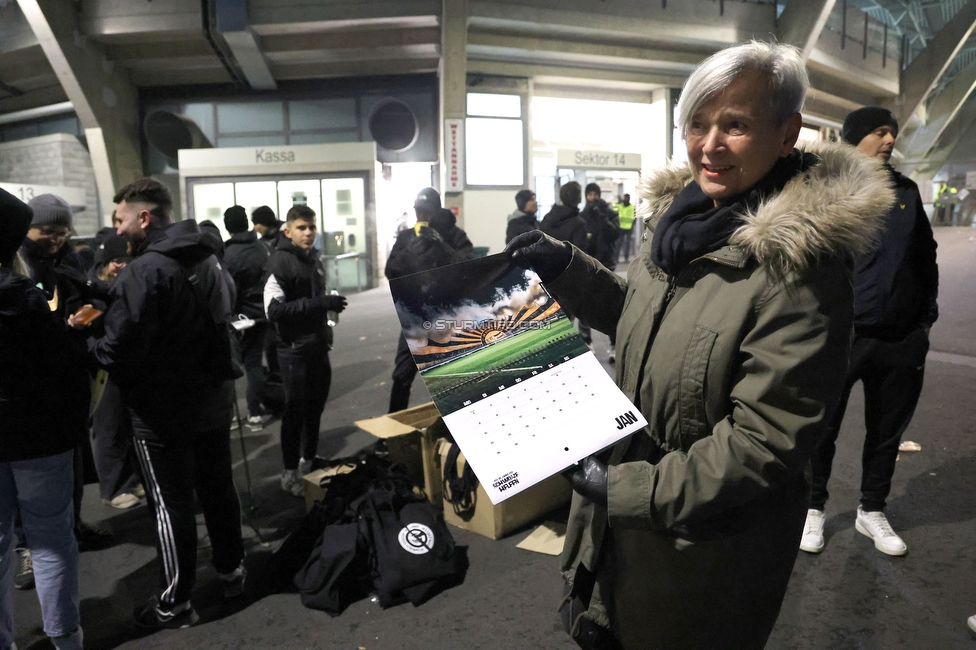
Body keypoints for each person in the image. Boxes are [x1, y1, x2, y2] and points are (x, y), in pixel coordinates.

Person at [507, 41, 893, 649]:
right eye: (697, 123)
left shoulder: (800, 271)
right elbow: (643, 315)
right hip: (626, 515)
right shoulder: (682, 223)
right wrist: (565, 272)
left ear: (787, 131)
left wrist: (628, 489)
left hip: (704, 547)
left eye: (736, 125)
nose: (709, 145)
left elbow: (766, 441)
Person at [89, 178, 246, 629]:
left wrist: (88, 345)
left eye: (120, 219)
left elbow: (120, 349)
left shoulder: (145, 270)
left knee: (169, 502)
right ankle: (232, 570)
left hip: (161, 409)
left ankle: (174, 601)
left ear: (144, 217)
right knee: (218, 488)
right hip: (212, 399)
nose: (117, 229)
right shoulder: (207, 255)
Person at [800, 106, 939, 558]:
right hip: (842, 333)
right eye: (879, 132)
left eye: (892, 133)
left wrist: (924, 320)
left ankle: (871, 509)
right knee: (822, 426)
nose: (889, 140)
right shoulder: (828, 189)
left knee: (886, 431)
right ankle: (813, 508)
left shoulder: (907, 193)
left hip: (899, 337)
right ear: (854, 138)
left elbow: (925, 258)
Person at [0, 188, 87, 650]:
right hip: (39, 441)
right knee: (52, 541)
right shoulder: (24, 298)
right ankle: (64, 637)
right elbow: (61, 372)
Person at [19, 194, 114, 556]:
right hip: (33, 388)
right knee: (30, 479)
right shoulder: (19, 262)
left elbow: (83, 296)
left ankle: (70, 527)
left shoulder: (64, 259)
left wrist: (86, 314)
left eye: (62, 232)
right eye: (47, 231)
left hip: (68, 379)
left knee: (70, 464)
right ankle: (28, 550)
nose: (55, 238)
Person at [264, 204, 347, 496]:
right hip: (293, 351)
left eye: (311, 227)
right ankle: (289, 474)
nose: (308, 232)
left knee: (315, 409)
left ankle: (308, 462)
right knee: (295, 413)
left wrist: (324, 306)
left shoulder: (312, 259)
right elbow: (274, 311)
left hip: (316, 346)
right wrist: (321, 303)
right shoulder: (280, 262)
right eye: (301, 227)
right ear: (287, 230)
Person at [385, 187, 474, 412]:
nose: (422, 217)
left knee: (451, 377)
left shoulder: (454, 235)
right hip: (414, 316)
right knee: (402, 375)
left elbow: (467, 268)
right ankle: (394, 435)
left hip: (445, 316)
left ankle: (455, 435)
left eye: (427, 212)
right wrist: (409, 254)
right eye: (418, 211)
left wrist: (441, 245)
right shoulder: (406, 237)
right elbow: (391, 272)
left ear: (437, 211)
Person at [88, 235, 144, 510]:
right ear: (105, 263)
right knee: (108, 428)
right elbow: (86, 334)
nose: (121, 266)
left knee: (128, 428)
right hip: (103, 371)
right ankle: (113, 489)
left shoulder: (128, 287)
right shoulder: (93, 293)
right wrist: (101, 352)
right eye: (116, 261)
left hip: (126, 368)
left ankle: (131, 480)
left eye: (127, 261)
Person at [223, 205, 272, 431]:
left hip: (237, 316)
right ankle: (255, 413)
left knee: (230, 364)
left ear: (228, 226)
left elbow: (227, 289)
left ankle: (232, 415)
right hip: (260, 314)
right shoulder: (261, 248)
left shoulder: (228, 253)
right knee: (254, 363)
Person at [540, 182, 592, 345]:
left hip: (547, 277)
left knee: (554, 325)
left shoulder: (547, 219)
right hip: (569, 281)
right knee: (571, 320)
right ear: (577, 198)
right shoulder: (579, 224)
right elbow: (579, 255)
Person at [580, 182, 620, 271]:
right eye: (590, 194)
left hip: (606, 261)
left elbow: (615, 233)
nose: (593, 197)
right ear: (586, 196)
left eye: (595, 194)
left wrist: (601, 216)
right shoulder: (582, 216)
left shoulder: (609, 213)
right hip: (589, 261)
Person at [614, 194, 636, 263]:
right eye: (625, 198)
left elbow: (635, 217)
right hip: (621, 228)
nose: (626, 199)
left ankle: (626, 258)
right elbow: (615, 214)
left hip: (629, 228)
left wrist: (632, 224)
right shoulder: (620, 206)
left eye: (627, 198)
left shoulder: (632, 207)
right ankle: (616, 258)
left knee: (627, 243)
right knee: (619, 243)